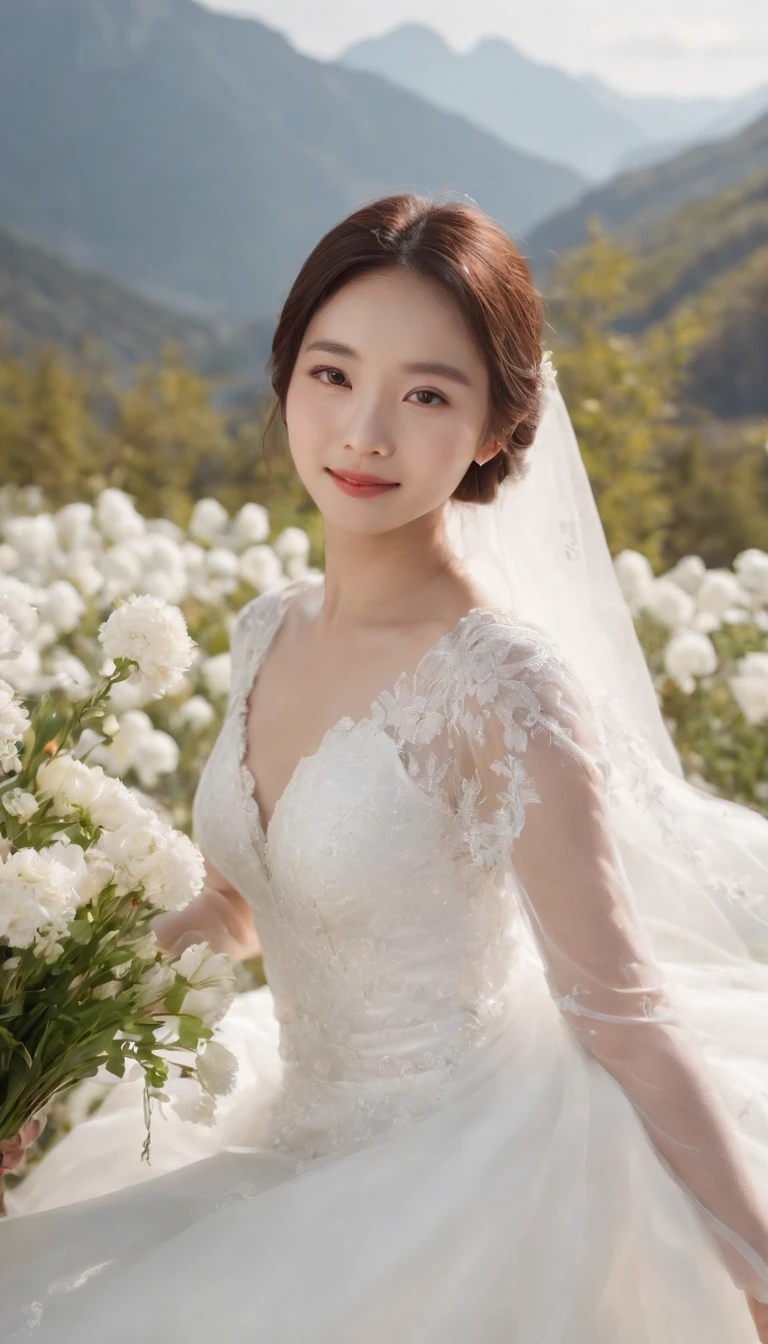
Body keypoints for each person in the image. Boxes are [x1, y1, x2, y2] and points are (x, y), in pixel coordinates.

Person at [2, 192, 768, 1343]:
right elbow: (235, 907)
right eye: (331, 373)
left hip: (463, 1181)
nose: (364, 432)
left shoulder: (501, 684)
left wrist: (755, 1266)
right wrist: (39, 1047)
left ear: (500, 427)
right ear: (285, 377)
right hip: (287, 1134)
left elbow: (621, 1012)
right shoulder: (267, 629)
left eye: (426, 394)